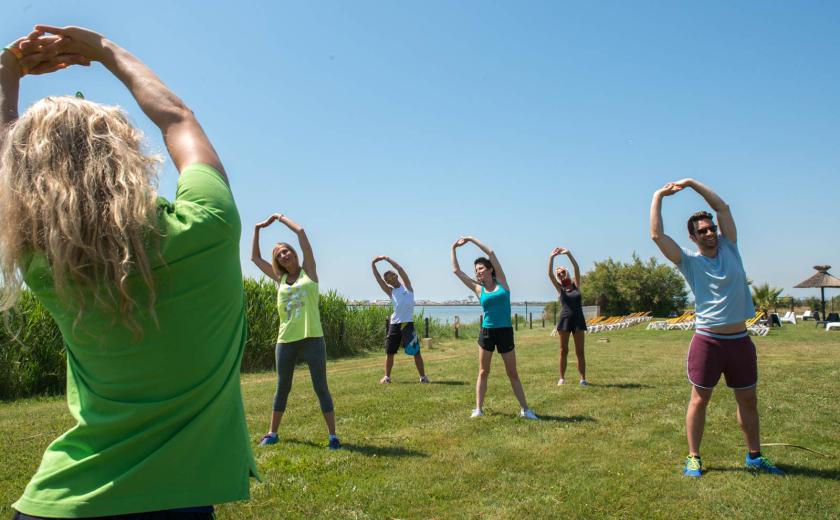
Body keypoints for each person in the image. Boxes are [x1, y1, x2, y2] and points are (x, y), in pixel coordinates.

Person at [1, 26, 257, 519]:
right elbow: (176, 117)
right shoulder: (209, 225)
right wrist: (105, 51)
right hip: (177, 502)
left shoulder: (44, 264)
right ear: (126, 157)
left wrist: (7, 68)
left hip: (57, 504)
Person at [650, 178, 783, 477]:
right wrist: (659, 195)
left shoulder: (730, 247)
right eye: (703, 231)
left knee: (748, 398)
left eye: (712, 229)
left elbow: (722, 207)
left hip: (739, 340)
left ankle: (755, 457)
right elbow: (657, 235)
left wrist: (691, 183)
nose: (710, 233)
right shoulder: (688, 262)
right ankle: (694, 457)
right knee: (700, 398)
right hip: (708, 341)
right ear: (693, 237)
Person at [251, 213, 340, 450]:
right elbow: (254, 257)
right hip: (286, 340)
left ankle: (333, 436)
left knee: (321, 387)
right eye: (280, 253)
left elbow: (301, 233)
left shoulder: (308, 271)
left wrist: (279, 218)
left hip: (312, 338)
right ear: (277, 260)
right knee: (282, 387)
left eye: (287, 250)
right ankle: (272, 433)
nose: (284, 254)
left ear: (294, 253)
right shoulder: (278, 278)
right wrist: (258, 229)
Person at [451, 236, 538, 420]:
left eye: (481, 268)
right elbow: (456, 271)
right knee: (483, 371)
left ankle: (525, 410)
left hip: (505, 331)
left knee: (512, 373)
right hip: (487, 332)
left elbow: (490, 252)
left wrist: (470, 239)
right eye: (476, 270)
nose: (478, 272)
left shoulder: (502, 283)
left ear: (490, 269)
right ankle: (478, 409)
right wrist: (454, 248)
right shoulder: (478, 289)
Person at [371, 256, 429, 384]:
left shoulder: (407, 287)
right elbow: (378, 279)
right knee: (390, 352)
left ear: (396, 276)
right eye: (388, 279)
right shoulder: (390, 292)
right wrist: (373, 264)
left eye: (392, 276)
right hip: (394, 324)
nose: (390, 279)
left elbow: (400, 268)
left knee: (416, 352)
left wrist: (386, 259)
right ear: (388, 282)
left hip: (407, 324)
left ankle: (423, 377)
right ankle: (387, 377)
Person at [548, 247, 588, 386]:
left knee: (580, 351)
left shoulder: (576, 285)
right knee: (563, 350)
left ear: (568, 273)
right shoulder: (560, 289)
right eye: (559, 274)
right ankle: (562, 378)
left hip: (578, 321)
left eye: (563, 272)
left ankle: (583, 379)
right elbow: (550, 275)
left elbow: (576, 267)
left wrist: (569, 253)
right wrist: (551, 258)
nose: (560, 275)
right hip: (564, 321)